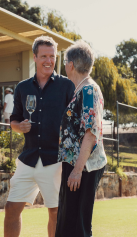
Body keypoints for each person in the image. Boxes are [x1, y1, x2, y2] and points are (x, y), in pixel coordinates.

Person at [4, 36, 75, 237]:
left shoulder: (67, 86)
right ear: (34, 57)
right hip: (28, 159)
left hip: (54, 161)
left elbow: (74, 123)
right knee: (11, 208)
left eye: (52, 56)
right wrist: (20, 127)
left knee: (55, 212)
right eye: (44, 56)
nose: (48, 61)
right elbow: (14, 121)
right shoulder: (22, 88)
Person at [55, 40, 106, 237]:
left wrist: (76, 171)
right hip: (77, 165)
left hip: (83, 167)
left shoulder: (88, 90)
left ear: (70, 65)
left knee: (77, 226)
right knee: (69, 223)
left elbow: (90, 133)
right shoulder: (82, 89)